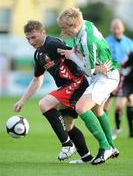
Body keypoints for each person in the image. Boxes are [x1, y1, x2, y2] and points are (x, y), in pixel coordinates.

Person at [13, 20, 109, 164]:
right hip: (68, 87)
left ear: (43, 32)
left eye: (34, 37)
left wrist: (97, 67)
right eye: (28, 38)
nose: (31, 41)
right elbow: (36, 80)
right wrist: (22, 100)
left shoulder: (52, 43)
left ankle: (67, 145)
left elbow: (76, 51)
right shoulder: (38, 55)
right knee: (67, 124)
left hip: (77, 82)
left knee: (44, 104)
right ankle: (86, 158)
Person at [57, 7, 120, 164]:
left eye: (65, 28)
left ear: (74, 25)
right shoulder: (85, 24)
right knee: (97, 110)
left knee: (81, 107)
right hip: (102, 73)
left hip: (106, 77)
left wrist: (72, 55)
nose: (63, 31)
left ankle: (105, 147)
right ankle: (112, 147)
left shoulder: (87, 40)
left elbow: (88, 70)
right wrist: (74, 50)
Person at [105, 19, 133, 139]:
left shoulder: (129, 43)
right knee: (105, 105)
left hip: (127, 77)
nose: (116, 30)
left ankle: (130, 131)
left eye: (118, 28)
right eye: (114, 28)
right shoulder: (106, 41)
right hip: (110, 76)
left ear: (123, 29)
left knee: (127, 102)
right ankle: (108, 129)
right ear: (111, 29)